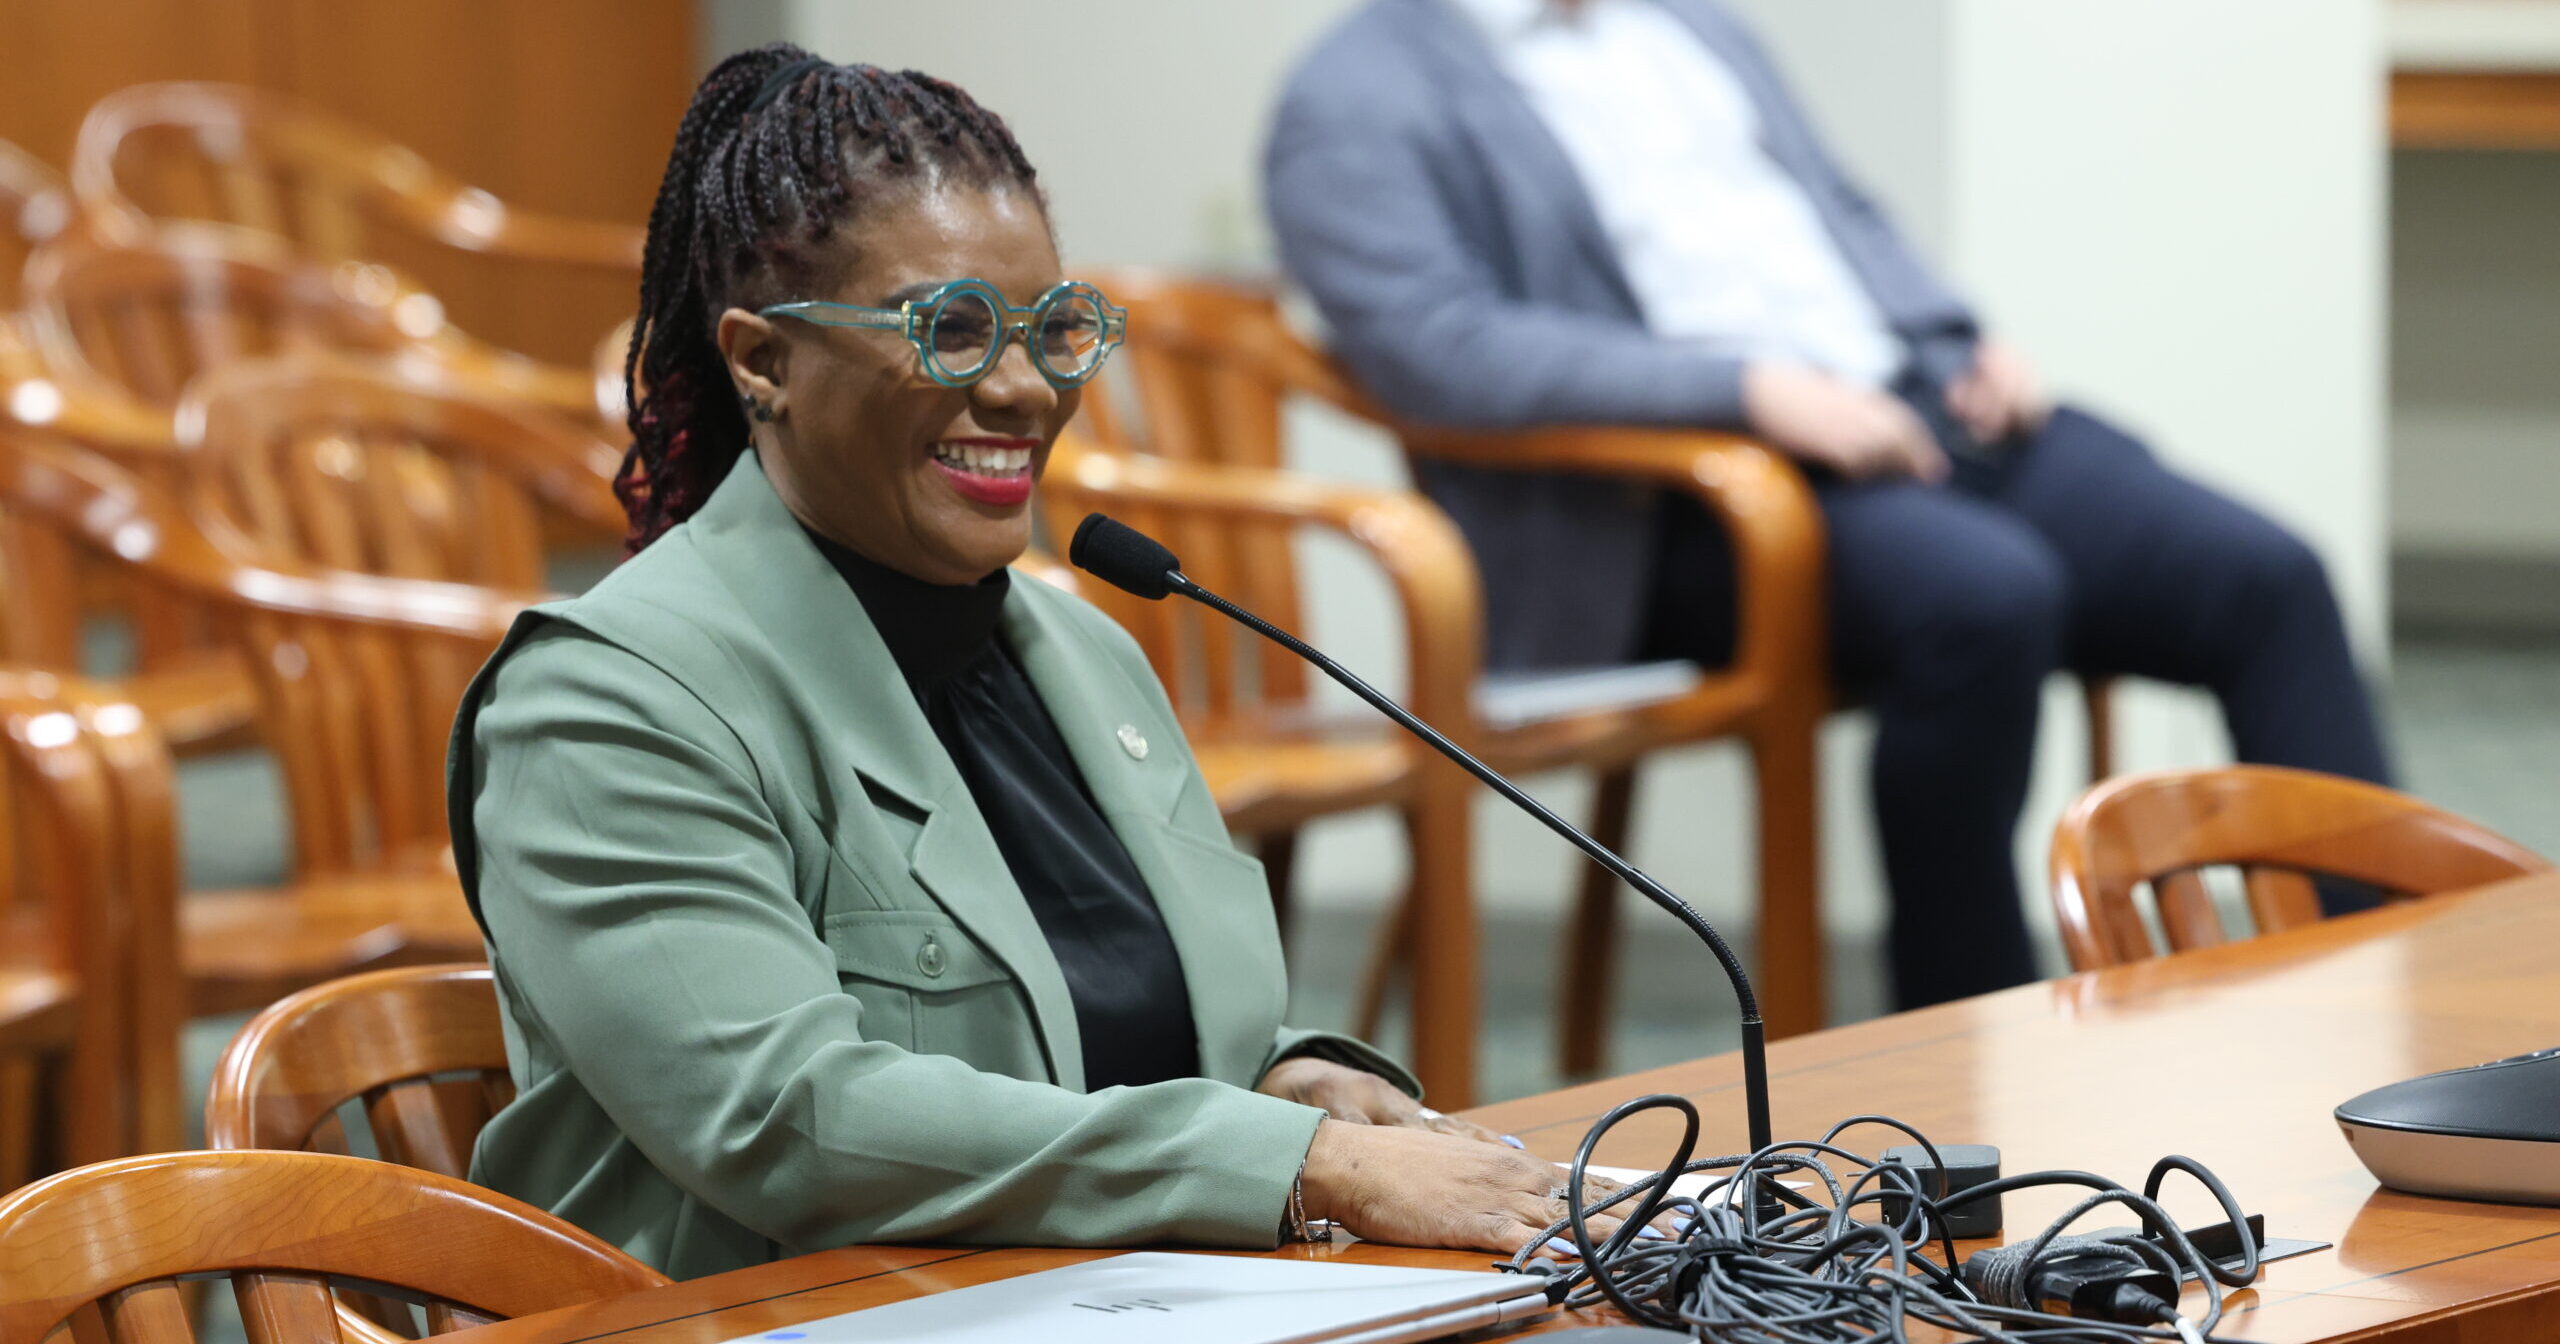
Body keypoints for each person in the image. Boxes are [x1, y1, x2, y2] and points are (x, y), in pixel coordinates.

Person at [446, 46, 1629, 1278]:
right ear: (763, 361)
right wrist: (1295, 1165)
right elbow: (784, 1119)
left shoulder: (1082, 647)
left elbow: (1102, 1025)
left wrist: (1296, 1077)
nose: (1022, 388)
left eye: (1053, 330)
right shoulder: (608, 699)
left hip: (1093, 1293)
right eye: (948, 331)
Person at [1263, 0, 2394, 1008]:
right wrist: (1747, 390)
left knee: (2265, 576)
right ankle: (1975, 1064)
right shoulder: (1354, 92)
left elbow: (1834, 207)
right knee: (1984, 598)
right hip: (1682, 504)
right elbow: (1440, 352)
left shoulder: (1688, 24)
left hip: (1906, 413)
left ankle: (2381, 994)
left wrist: (1953, 331)